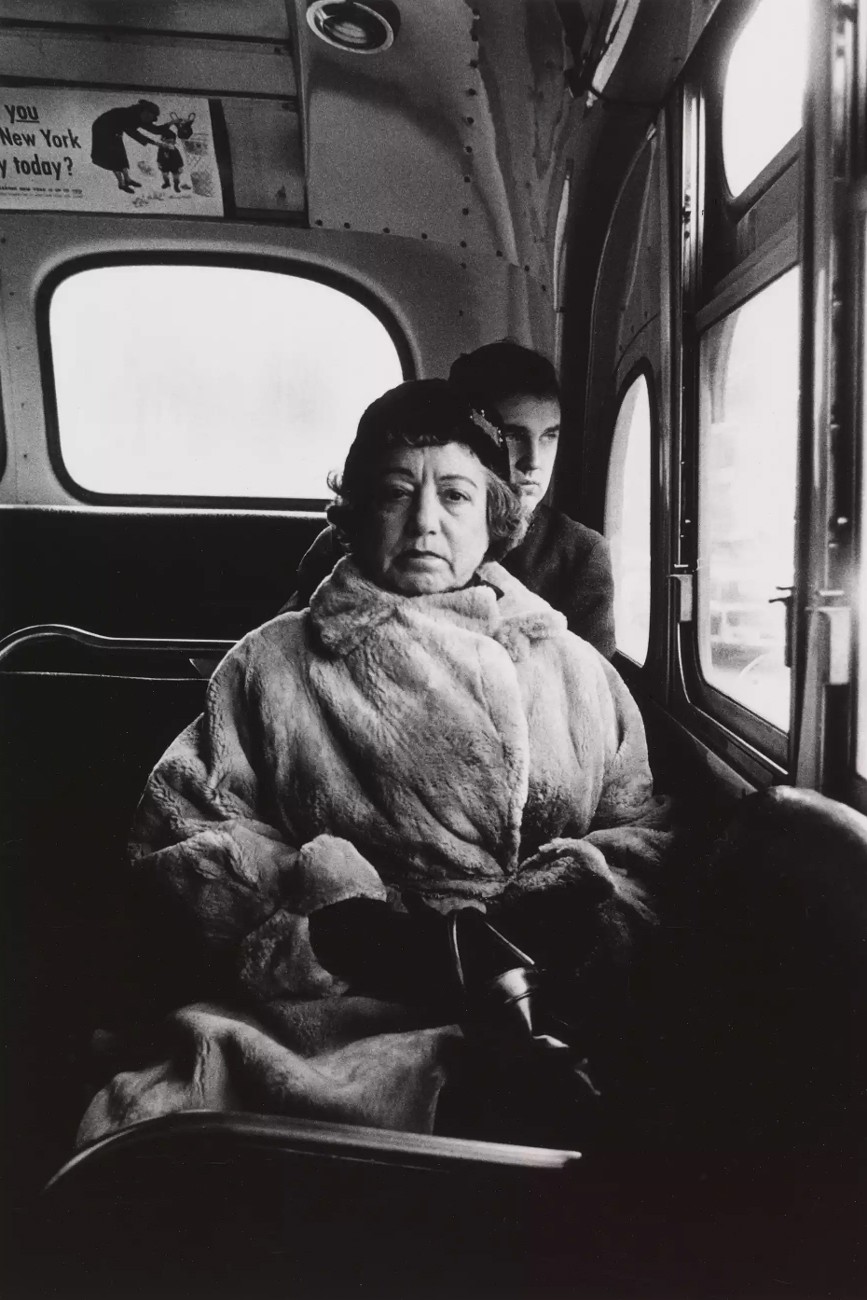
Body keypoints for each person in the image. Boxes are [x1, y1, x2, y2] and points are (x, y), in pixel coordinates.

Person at [78, 379, 670, 1149]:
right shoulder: (273, 662)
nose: (425, 521)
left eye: (455, 496)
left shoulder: (571, 667)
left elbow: (642, 836)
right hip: (326, 1006)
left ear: (495, 520)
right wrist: (338, 931)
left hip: (534, 996)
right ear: (353, 515)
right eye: (396, 493)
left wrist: (563, 912)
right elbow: (182, 832)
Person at [282, 341, 615, 657]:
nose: (533, 461)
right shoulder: (351, 543)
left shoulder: (580, 556)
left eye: (549, 437)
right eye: (512, 436)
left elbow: (586, 692)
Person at [90, 99, 166, 193]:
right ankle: (121, 183)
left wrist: (171, 124)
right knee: (113, 157)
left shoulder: (141, 117)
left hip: (115, 131)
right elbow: (134, 134)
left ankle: (127, 179)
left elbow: (154, 129)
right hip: (102, 129)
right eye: (148, 117)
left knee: (121, 154)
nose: (148, 120)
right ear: (145, 112)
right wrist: (155, 143)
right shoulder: (129, 115)